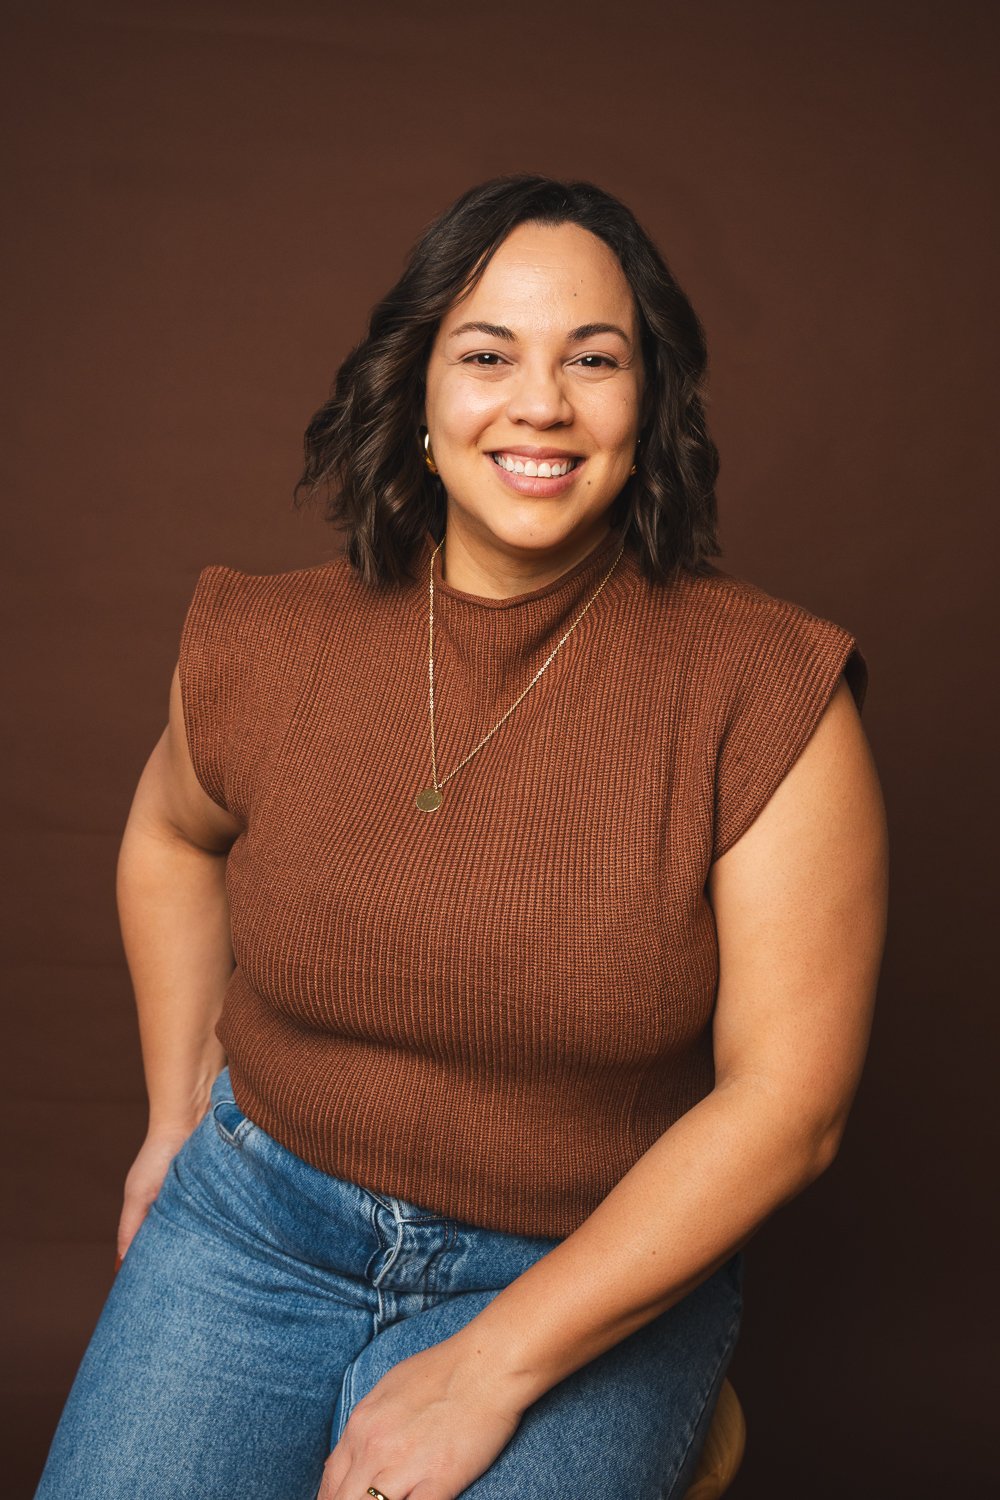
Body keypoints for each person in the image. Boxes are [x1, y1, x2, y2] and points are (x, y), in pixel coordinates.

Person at [34, 175, 888, 1500]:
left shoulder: (767, 689)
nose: (539, 404)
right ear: (418, 388)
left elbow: (791, 1104)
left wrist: (486, 1369)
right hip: (257, 1225)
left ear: (648, 401)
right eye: (487, 355)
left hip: (582, 1267)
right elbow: (168, 835)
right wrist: (169, 1121)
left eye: (592, 359)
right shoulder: (266, 642)